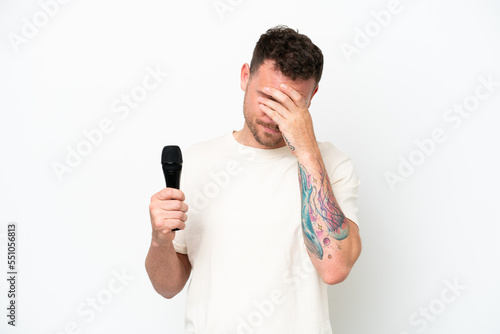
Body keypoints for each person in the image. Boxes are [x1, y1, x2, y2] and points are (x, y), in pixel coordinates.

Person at [145, 25, 362, 334]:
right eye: (267, 97)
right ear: (245, 76)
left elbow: (334, 267)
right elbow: (167, 287)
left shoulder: (333, 165)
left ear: (311, 97)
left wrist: (306, 148)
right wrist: (159, 239)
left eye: (290, 104)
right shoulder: (196, 162)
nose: (273, 115)